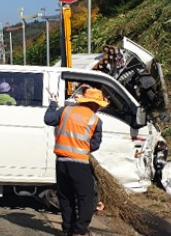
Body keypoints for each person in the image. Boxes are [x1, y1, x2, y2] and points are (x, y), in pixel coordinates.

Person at [44, 88, 106, 236]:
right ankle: (79, 231)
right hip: (79, 164)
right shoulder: (95, 120)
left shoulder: (65, 111)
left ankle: (67, 230)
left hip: (61, 162)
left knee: (66, 197)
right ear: (95, 104)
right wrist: (81, 148)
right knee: (87, 197)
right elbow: (95, 145)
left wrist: (53, 103)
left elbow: (48, 119)